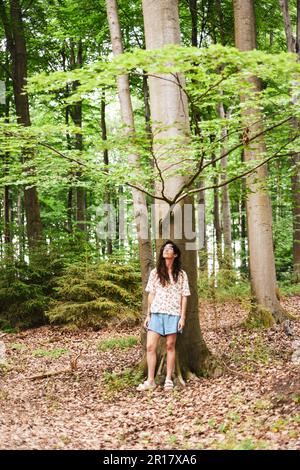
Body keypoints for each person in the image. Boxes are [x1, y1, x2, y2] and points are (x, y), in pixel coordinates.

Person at [137, 240, 191, 391]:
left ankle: (168, 379)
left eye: (170, 249)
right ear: (162, 253)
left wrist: (182, 317)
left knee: (170, 346)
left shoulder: (181, 275)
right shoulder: (155, 273)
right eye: (164, 248)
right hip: (156, 313)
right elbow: (151, 294)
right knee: (150, 347)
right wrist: (148, 315)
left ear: (175, 254)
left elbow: (184, 296)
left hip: (173, 314)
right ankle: (151, 380)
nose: (166, 250)